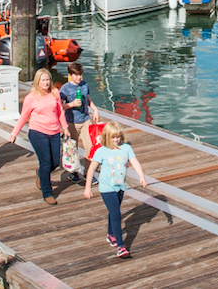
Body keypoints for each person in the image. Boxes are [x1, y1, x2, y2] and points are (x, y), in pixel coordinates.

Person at [84, 123, 148, 259]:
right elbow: (91, 169)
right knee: (116, 214)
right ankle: (121, 246)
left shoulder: (126, 148)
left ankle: (110, 234)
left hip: (120, 187)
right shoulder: (101, 151)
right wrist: (88, 187)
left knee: (113, 212)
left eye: (118, 137)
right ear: (107, 137)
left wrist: (141, 176)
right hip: (106, 188)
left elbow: (135, 162)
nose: (116, 140)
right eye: (113, 138)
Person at [8, 68, 69, 205]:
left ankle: (41, 175)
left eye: (48, 80)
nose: (46, 83)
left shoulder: (55, 93)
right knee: (46, 161)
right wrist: (14, 133)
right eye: (43, 80)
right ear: (38, 81)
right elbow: (23, 116)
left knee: (54, 162)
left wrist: (65, 128)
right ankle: (47, 193)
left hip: (54, 132)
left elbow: (59, 111)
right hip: (37, 132)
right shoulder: (31, 97)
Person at [59, 61, 101, 184]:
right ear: (70, 75)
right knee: (73, 148)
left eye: (80, 75)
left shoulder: (84, 85)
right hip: (71, 122)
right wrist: (71, 104)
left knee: (90, 146)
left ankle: (88, 173)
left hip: (85, 119)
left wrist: (95, 110)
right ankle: (73, 172)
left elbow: (88, 100)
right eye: (76, 75)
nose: (79, 77)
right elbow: (60, 106)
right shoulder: (65, 88)